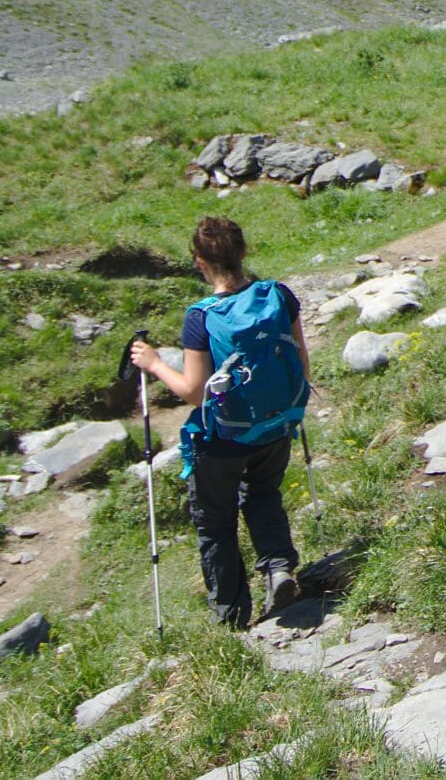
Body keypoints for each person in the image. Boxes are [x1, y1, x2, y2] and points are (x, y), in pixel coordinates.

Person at [130, 215, 312, 628]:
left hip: (222, 440)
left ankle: (230, 616)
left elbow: (195, 392)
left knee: (215, 522)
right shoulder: (279, 296)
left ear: (199, 262)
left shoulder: (201, 317)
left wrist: (155, 363)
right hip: (276, 424)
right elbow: (301, 360)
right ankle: (278, 568)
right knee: (263, 493)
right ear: (244, 252)